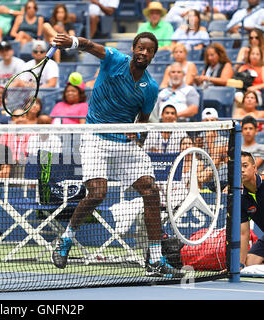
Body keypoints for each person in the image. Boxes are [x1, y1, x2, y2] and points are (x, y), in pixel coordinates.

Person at [49, 31, 184, 278]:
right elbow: (90, 44)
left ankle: (155, 259)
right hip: (95, 137)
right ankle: (66, 239)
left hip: (123, 143)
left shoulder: (150, 88)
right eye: (140, 48)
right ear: (133, 48)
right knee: (98, 193)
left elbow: (142, 123)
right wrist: (74, 42)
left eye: (149, 50)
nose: (144, 53)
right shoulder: (114, 60)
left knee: (151, 192)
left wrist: (138, 136)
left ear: (154, 54)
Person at [240, 151, 264, 268]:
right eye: (238, 167)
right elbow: (244, 233)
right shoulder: (240, 198)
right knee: (250, 263)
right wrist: (240, 264)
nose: (241, 170)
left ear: (254, 168)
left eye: (245, 166)